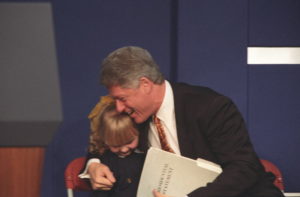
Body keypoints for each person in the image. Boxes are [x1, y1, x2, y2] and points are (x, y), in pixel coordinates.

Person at [86, 46, 284, 197]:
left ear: (145, 84)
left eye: (122, 98)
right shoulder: (134, 115)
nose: (119, 108)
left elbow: (244, 167)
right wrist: (93, 165)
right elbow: (101, 141)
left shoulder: (211, 106)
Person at [80, 96, 145, 197]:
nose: (124, 149)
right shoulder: (104, 162)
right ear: (104, 140)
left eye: (129, 141)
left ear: (138, 132)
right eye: (116, 145)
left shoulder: (145, 154)